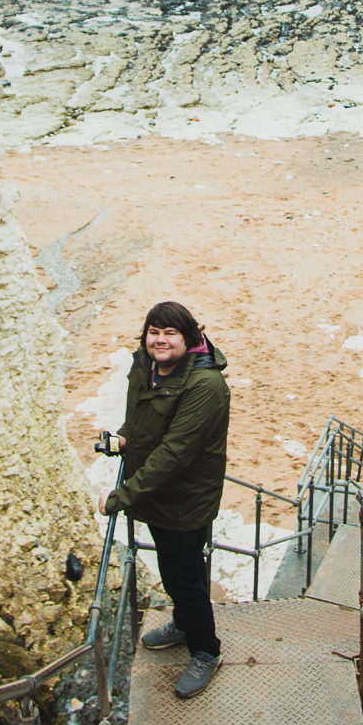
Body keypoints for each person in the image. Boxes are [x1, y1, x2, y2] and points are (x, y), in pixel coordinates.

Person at [99, 300, 230, 700]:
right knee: (176, 568)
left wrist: (120, 497)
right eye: (154, 331)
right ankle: (184, 622)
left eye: (170, 333)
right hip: (157, 493)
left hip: (186, 498)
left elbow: (175, 451)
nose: (160, 340)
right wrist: (124, 439)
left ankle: (206, 651)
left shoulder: (206, 386)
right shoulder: (146, 365)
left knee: (184, 577)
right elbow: (142, 419)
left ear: (189, 338)